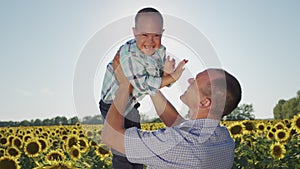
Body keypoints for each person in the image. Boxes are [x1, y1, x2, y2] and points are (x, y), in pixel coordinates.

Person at [101, 54, 242, 169]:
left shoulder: (177, 144)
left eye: (196, 81)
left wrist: (125, 85)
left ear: (204, 102)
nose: (190, 81)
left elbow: (111, 136)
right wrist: (151, 82)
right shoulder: (223, 139)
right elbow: (174, 121)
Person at [99, 7, 186, 168]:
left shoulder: (159, 51)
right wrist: (171, 77)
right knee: (122, 150)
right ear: (134, 32)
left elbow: (156, 79)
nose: (151, 41)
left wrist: (166, 73)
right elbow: (145, 84)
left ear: (162, 32)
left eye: (156, 35)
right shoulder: (130, 54)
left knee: (135, 146)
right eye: (144, 35)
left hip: (131, 103)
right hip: (112, 104)